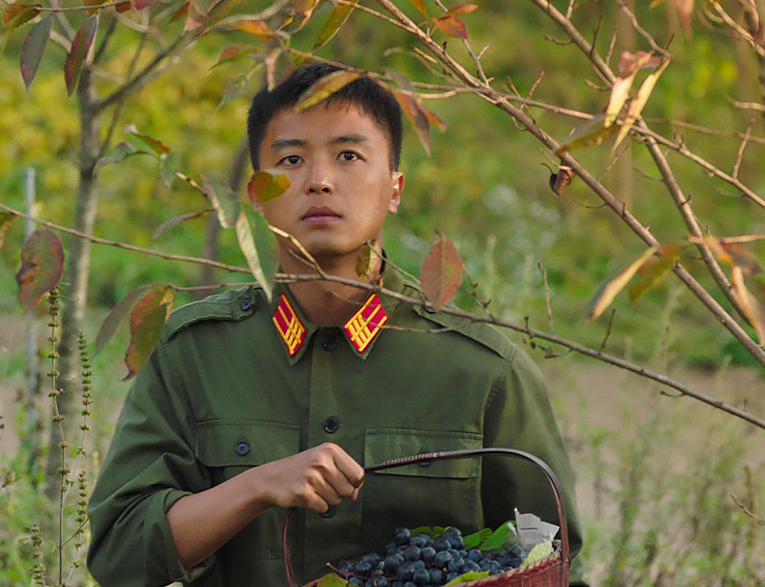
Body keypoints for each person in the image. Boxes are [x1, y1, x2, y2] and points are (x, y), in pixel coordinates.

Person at [87, 62, 587, 587]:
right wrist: (255, 486)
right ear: (256, 194)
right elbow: (119, 555)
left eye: (348, 156)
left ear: (394, 189)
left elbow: (552, 567)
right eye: (292, 159)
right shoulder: (194, 355)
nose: (319, 181)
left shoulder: (483, 373)